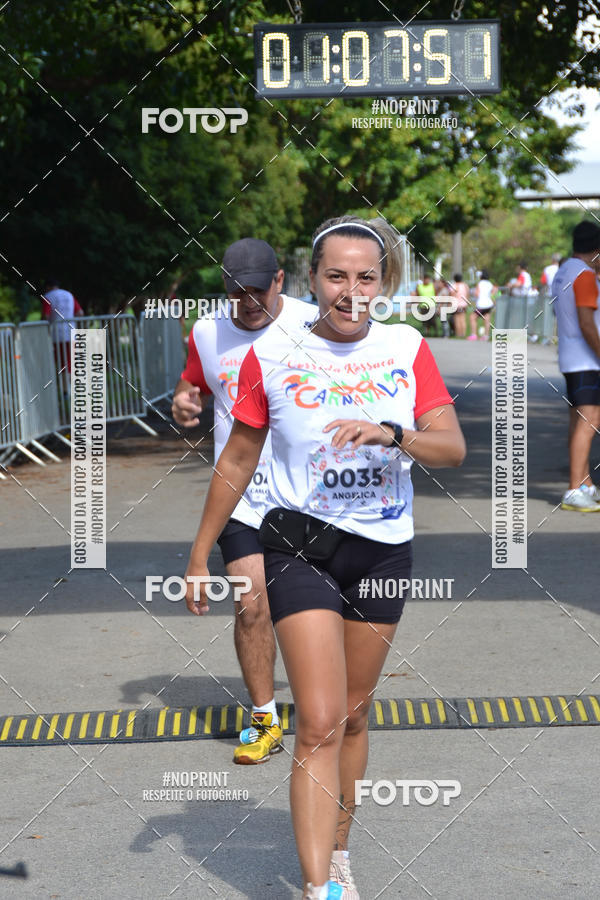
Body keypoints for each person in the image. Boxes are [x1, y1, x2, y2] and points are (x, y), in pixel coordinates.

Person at [184, 216, 466, 899]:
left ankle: (338, 848)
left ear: (385, 283)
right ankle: (320, 890)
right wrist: (199, 553)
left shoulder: (405, 346)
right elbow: (239, 457)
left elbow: (451, 447)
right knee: (316, 719)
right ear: (312, 280)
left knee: (353, 713)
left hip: (382, 554)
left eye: (366, 277)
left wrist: (393, 433)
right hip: (297, 548)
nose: (350, 291)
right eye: (336, 276)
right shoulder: (273, 355)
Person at [172, 238, 313, 763]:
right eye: (238, 290)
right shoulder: (208, 332)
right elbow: (192, 389)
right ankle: (264, 719)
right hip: (243, 494)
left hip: (312, 493)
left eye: (258, 288)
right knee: (251, 604)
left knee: (313, 611)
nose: (248, 300)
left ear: (280, 280)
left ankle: (327, 706)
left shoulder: (313, 322)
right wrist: (184, 404)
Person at [552, 220, 600, 511]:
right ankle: (574, 489)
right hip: (586, 359)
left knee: (579, 421)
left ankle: (584, 482)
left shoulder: (564, 271)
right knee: (589, 421)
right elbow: (586, 323)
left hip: (572, 358)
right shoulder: (583, 275)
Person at [42, 278, 84, 374]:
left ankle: (65, 386)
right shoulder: (68, 294)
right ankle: (70, 385)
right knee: (70, 360)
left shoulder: (48, 296)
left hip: (56, 334)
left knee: (62, 362)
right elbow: (80, 313)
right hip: (71, 332)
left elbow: (46, 316)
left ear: (47, 287)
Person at [468, 269, 496, 340]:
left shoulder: (480, 283)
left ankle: (474, 334)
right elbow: (494, 291)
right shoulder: (489, 283)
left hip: (481, 304)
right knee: (487, 318)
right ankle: (486, 336)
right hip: (489, 304)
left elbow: (477, 294)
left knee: (472, 317)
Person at [448, 273, 469, 338]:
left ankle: (458, 334)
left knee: (457, 320)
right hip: (464, 305)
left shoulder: (454, 286)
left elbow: (451, 295)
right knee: (463, 320)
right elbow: (467, 294)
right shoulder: (465, 285)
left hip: (456, 305)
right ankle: (463, 334)